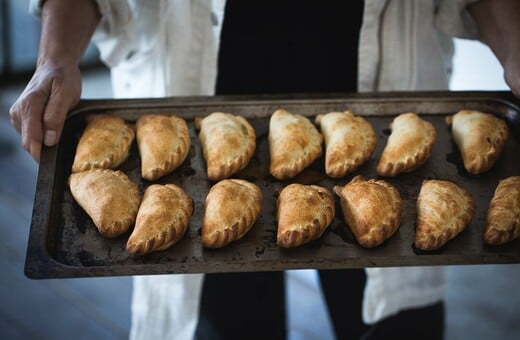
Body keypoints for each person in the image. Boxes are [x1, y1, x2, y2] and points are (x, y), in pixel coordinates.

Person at [10, 1, 520, 339]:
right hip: (195, 84)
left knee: (395, 317)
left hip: (375, 87)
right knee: (221, 300)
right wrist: (54, 58)